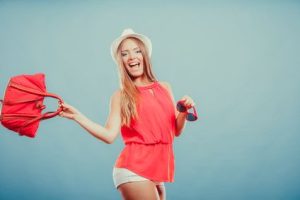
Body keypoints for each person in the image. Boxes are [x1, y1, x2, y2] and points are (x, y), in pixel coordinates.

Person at [59, 28, 196, 200]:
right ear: (121, 61)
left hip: (157, 172)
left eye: (137, 51)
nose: (132, 57)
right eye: (125, 54)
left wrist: (183, 111)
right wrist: (77, 116)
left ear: (145, 56)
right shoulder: (121, 96)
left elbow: (175, 130)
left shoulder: (165, 87)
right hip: (134, 169)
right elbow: (109, 135)